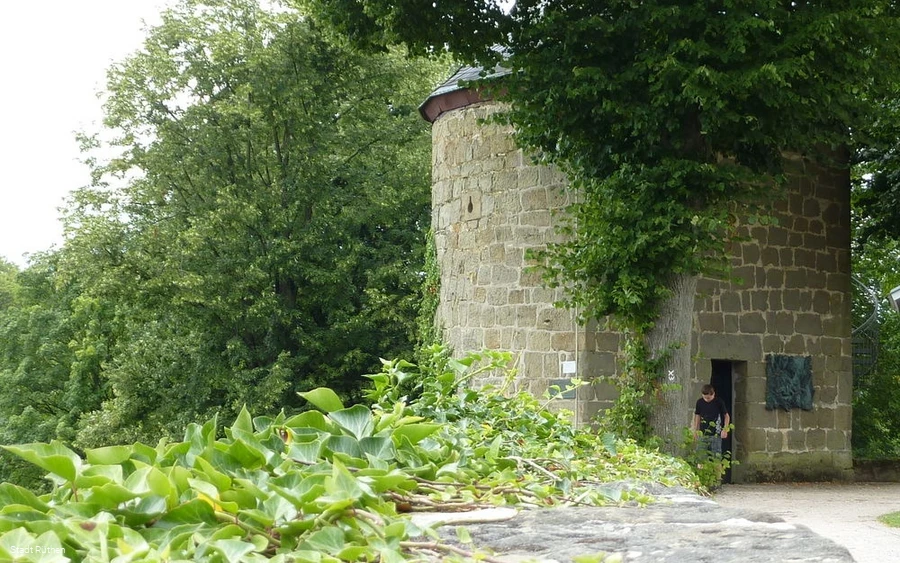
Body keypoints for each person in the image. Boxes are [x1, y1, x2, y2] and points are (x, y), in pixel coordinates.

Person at [692, 384, 730, 456]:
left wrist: (725, 429)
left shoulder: (719, 402)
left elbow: (726, 416)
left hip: (716, 434)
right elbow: (697, 416)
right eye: (705, 398)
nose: (707, 400)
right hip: (703, 434)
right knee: (700, 457)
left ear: (713, 394)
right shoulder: (699, 402)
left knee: (716, 458)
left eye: (709, 398)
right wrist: (696, 430)